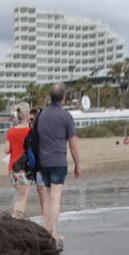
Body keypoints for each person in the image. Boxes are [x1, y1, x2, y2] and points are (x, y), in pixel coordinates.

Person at [35, 83, 81, 240]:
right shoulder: (66, 116)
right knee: (55, 197)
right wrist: (77, 165)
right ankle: (53, 232)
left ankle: (47, 229)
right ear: (63, 97)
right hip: (58, 161)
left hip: (43, 161)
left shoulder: (41, 115)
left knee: (48, 196)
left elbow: (36, 138)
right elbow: (73, 145)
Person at [5, 103, 32, 217]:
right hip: (22, 168)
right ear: (27, 116)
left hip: (11, 169)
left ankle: (15, 217)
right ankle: (16, 219)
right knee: (23, 197)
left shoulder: (11, 131)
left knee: (20, 195)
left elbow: (7, 149)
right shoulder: (28, 131)